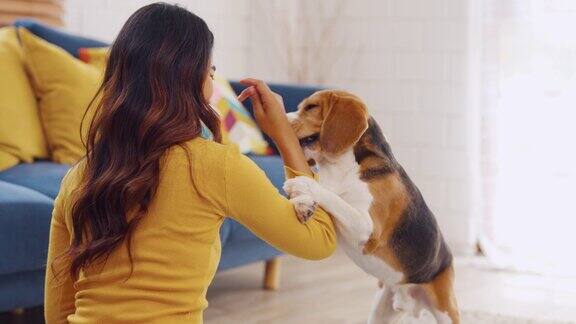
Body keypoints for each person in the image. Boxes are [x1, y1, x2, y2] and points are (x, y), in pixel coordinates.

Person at [44, 3, 336, 323]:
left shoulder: (79, 176)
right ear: (192, 79)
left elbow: (59, 309)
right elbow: (318, 241)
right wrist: (285, 135)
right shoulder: (214, 166)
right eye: (210, 73)